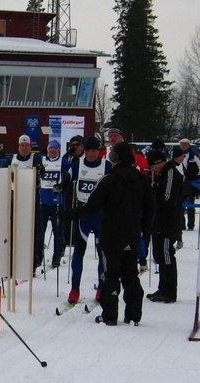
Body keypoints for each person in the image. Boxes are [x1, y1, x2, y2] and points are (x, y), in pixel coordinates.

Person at [60, 142, 155, 326]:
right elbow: (151, 209)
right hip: (132, 234)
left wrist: (67, 215)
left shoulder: (109, 179)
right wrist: (144, 231)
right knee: (131, 275)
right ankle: (134, 314)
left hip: (111, 234)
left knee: (110, 274)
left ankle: (110, 315)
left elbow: (91, 207)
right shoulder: (142, 179)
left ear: (115, 158)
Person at [62, 136, 110, 304]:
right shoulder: (78, 164)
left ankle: (101, 288)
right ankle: (75, 289)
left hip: (100, 214)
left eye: (94, 151)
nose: (90, 154)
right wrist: (61, 186)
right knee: (78, 252)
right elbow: (67, 179)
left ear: (99, 151)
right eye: (88, 150)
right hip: (83, 214)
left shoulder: (106, 166)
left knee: (102, 252)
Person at [146, 148, 185, 303]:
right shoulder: (162, 174)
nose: (152, 169)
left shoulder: (171, 174)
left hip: (168, 223)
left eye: (152, 165)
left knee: (166, 254)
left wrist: (152, 203)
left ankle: (169, 290)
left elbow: (168, 200)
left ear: (159, 162)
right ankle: (163, 288)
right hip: (159, 223)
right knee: (159, 255)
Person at [9, 134, 44, 271]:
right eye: (22, 145)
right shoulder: (11, 159)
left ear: (30, 147)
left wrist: (40, 171)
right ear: (18, 147)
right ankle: (15, 259)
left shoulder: (35, 158)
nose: (24, 148)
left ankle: (36, 259)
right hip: (16, 198)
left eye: (26, 145)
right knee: (16, 230)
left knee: (35, 230)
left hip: (31, 198)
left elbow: (42, 172)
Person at [36, 140, 65, 268]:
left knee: (57, 232)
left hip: (57, 202)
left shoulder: (64, 162)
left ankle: (56, 257)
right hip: (43, 202)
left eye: (55, 148)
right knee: (40, 232)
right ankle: (38, 256)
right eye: (50, 148)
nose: (52, 150)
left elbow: (69, 178)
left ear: (58, 150)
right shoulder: (41, 161)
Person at [178, 138, 200, 231]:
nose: (183, 146)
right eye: (182, 144)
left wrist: (197, 179)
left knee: (190, 204)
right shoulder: (177, 155)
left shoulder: (194, 156)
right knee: (180, 205)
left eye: (185, 144)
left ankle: (190, 225)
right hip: (181, 183)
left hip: (191, 184)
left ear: (189, 145)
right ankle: (181, 224)